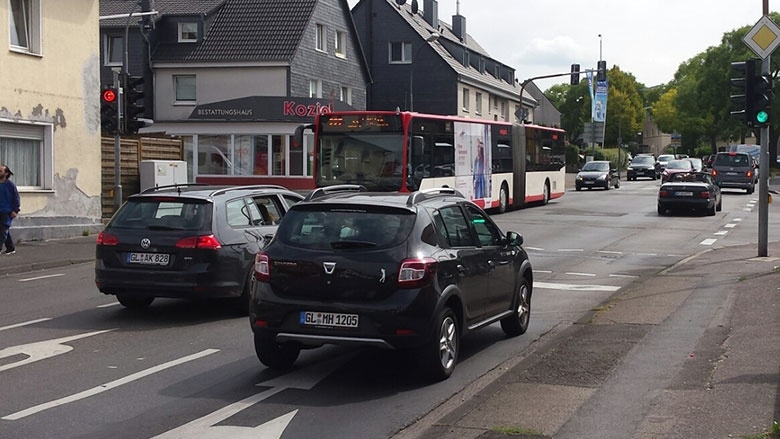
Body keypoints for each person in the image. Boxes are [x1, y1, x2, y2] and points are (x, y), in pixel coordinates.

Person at [0, 164, 20, 255]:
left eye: (0, 171)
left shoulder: (10, 185)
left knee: (3, 230)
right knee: (4, 230)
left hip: (7, 211)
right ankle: (10, 248)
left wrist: (15, 210)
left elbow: (16, 198)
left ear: (6, 173)